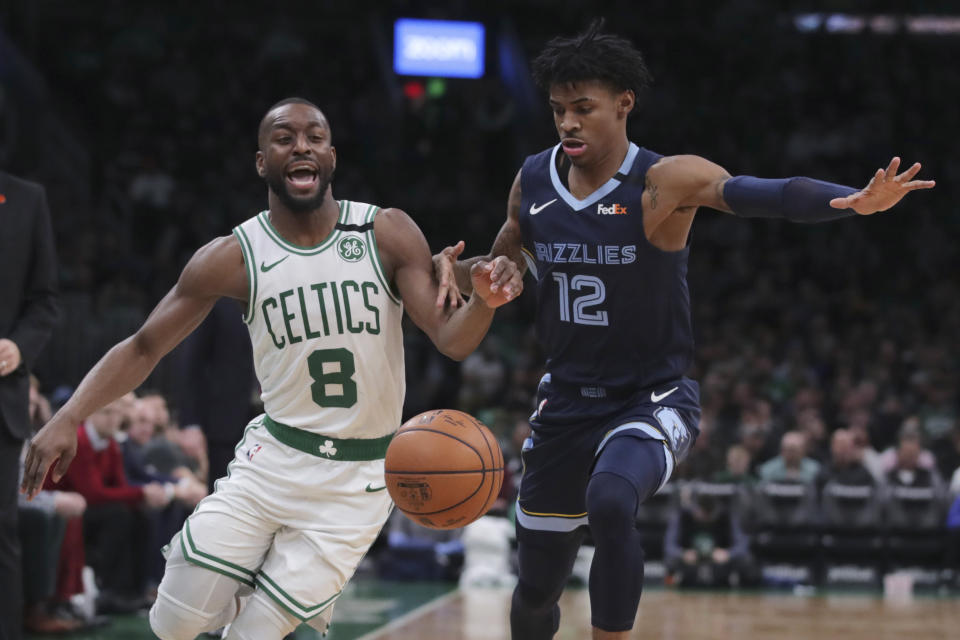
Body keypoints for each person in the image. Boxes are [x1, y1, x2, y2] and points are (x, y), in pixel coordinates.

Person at [434, 21, 933, 639]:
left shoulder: (663, 181)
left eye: (583, 109)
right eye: (559, 110)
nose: (567, 123)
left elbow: (759, 193)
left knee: (612, 502)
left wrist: (852, 198)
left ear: (624, 104)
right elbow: (504, 268)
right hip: (565, 400)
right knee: (536, 586)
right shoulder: (533, 181)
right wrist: (451, 270)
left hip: (651, 394)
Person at [22, 97, 520, 640]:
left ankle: (272, 615)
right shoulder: (233, 256)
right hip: (273, 460)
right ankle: (246, 598)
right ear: (262, 161)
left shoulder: (386, 232)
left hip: (360, 479)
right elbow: (144, 346)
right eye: (284, 137)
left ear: (332, 155)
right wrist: (69, 414)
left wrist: (482, 302)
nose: (300, 145)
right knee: (172, 623)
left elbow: (450, 340)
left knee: (259, 635)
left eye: (314, 136)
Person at [0, 171, 60, 640]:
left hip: (2, 396)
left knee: (3, 532)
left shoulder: (26, 198)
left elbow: (44, 301)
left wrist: (19, 348)